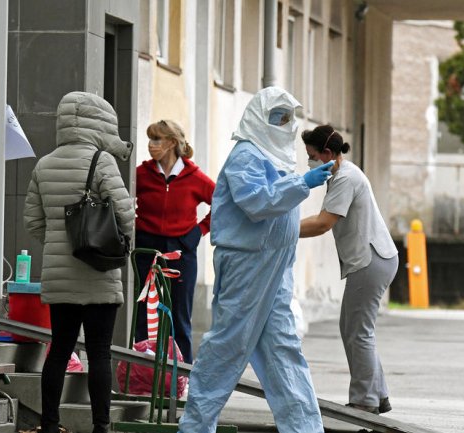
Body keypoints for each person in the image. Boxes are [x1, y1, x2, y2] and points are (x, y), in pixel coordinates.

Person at [178, 86, 333, 433]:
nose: (283, 124)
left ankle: (304, 428)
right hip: (248, 263)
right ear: (258, 118)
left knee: (282, 346)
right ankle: (195, 427)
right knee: (227, 345)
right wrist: (302, 183)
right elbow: (257, 203)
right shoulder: (246, 155)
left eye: (287, 118)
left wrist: (300, 181)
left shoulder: (277, 158)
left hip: (276, 264)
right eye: (276, 117)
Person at [23, 91, 135, 433]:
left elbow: (33, 220)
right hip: (99, 271)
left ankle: (50, 424)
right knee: (100, 352)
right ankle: (101, 426)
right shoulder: (102, 161)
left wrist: (60, 242)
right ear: (98, 123)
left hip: (60, 278)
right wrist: (116, 243)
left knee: (59, 349)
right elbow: (124, 213)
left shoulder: (44, 163)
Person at [299, 124, 398, 415]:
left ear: (327, 153)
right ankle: (377, 394)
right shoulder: (344, 173)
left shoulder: (344, 178)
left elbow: (322, 223)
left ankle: (364, 400)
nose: (310, 161)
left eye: (312, 156)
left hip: (370, 261)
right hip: (372, 259)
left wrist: (283, 228)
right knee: (353, 328)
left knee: (359, 331)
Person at [133, 120, 215, 363]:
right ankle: (141, 374)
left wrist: (200, 230)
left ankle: (182, 377)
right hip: (146, 247)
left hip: (181, 250)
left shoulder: (195, 177)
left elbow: (223, 203)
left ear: (171, 143)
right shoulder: (141, 173)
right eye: (150, 139)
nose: (150, 145)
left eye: (156, 140)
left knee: (179, 316)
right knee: (143, 314)